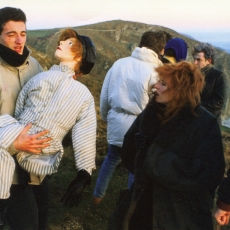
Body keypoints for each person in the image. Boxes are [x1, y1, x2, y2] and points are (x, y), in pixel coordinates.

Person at [109, 61, 225, 230]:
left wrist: (153, 155)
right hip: (141, 208)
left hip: (179, 217)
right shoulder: (152, 113)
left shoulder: (205, 124)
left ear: (180, 91)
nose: (155, 86)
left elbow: (208, 174)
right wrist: (137, 148)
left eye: (163, 83)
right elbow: (129, 155)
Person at [0, 26, 97, 224]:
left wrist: (84, 171)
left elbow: (85, 131)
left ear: (80, 56)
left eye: (69, 43)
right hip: (14, 150)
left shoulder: (83, 95)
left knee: (38, 218)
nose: (61, 43)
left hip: (41, 160)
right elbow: (20, 107)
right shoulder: (40, 76)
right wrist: (17, 136)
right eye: (63, 41)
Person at [93, 30, 172, 204]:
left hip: (116, 118)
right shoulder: (156, 71)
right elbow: (155, 104)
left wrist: (107, 117)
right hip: (139, 124)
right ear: (160, 49)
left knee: (111, 157)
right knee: (135, 166)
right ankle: (130, 202)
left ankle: (97, 195)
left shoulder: (119, 64)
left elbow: (105, 95)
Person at [0, 7, 52, 230]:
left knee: (39, 221)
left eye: (23, 33)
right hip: (5, 169)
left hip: (33, 167)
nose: (19, 40)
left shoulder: (34, 65)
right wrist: (13, 143)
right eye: (11, 34)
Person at [192, 42, 226, 125]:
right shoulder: (192, 74)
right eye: (194, 59)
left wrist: (196, 107)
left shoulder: (218, 76)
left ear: (209, 61)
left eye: (199, 60)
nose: (195, 62)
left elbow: (219, 101)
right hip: (193, 122)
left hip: (209, 123)